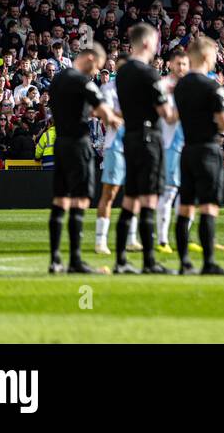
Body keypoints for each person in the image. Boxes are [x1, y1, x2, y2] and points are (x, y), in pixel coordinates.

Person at [46, 42, 117, 275]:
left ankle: (55, 260)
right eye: (97, 66)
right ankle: (75, 260)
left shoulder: (57, 79)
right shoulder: (83, 81)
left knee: (60, 200)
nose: (97, 72)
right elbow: (105, 113)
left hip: (61, 143)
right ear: (89, 59)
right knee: (80, 200)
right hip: (79, 144)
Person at [113, 22, 179, 275]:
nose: (157, 46)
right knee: (149, 199)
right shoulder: (148, 73)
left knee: (130, 199)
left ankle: (120, 261)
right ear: (146, 43)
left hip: (130, 136)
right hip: (149, 138)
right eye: (156, 41)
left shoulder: (123, 72)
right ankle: (150, 262)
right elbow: (168, 116)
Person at [172, 35, 224, 275]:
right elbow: (223, 122)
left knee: (185, 208)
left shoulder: (180, 85)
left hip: (187, 150)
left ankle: (184, 264)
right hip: (208, 150)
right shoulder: (212, 86)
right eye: (213, 54)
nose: (215, 59)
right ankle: (209, 263)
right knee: (208, 208)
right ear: (204, 56)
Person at [94, 76, 140, 256]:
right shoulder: (108, 88)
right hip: (115, 146)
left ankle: (131, 239)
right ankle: (101, 241)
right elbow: (106, 115)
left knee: (134, 193)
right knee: (109, 193)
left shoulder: (136, 90)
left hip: (134, 145)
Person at [155, 49, 190, 253]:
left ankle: (184, 238)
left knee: (190, 193)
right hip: (169, 144)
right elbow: (168, 117)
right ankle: (162, 240)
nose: (181, 68)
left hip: (191, 143)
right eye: (178, 63)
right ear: (170, 64)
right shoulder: (162, 85)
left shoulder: (192, 84)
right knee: (169, 192)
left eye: (185, 64)